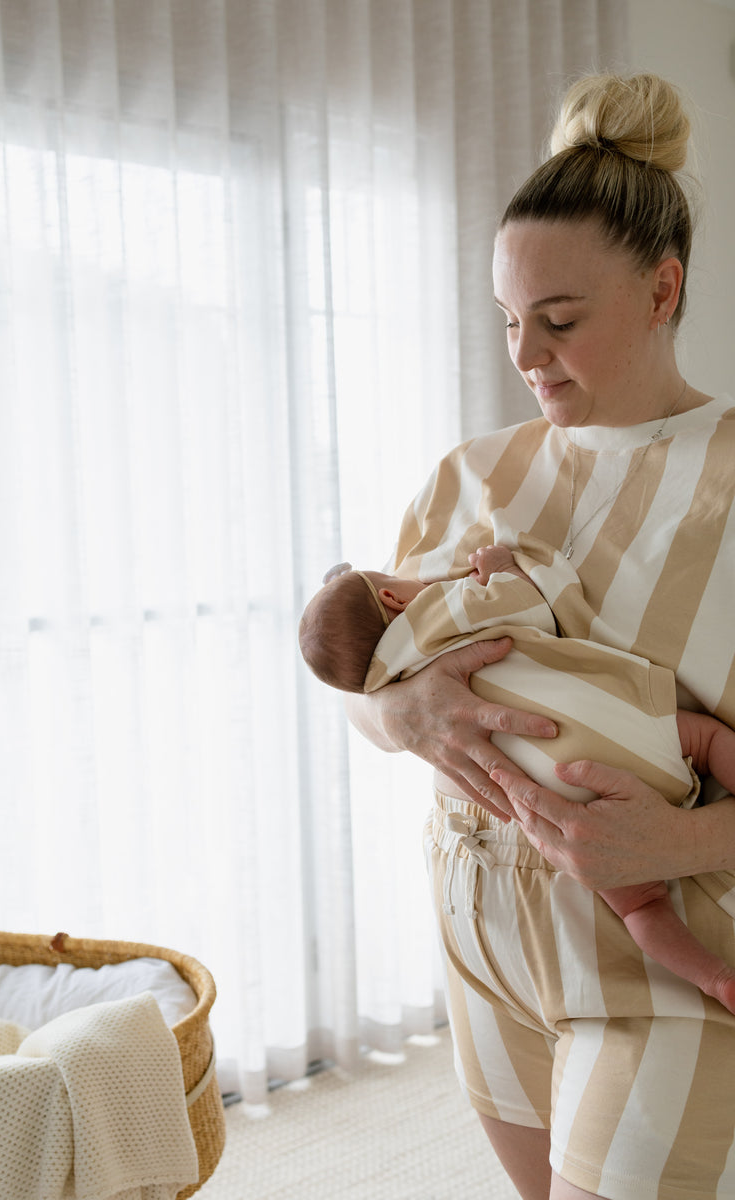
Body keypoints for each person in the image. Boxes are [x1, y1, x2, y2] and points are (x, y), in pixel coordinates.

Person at [338, 72, 735, 1199]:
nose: (525, 353)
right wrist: (395, 712)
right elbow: (376, 681)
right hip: (484, 945)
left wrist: (676, 849)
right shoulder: (467, 477)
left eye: (558, 321)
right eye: (510, 322)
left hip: (667, 962)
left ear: (661, 291)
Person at [298, 543, 735, 1015]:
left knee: (641, 907)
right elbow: (531, 611)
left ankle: (717, 979)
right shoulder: (442, 609)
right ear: (393, 599)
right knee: (708, 741)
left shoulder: (386, 686)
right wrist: (503, 572)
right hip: (620, 735)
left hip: (564, 799)